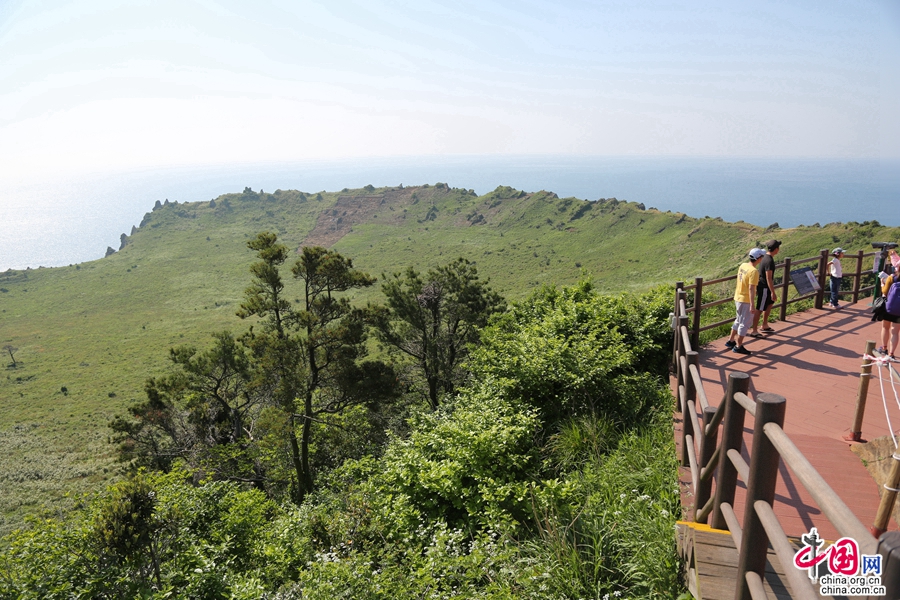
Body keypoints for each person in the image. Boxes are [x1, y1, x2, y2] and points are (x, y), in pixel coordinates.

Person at [726, 248, 765, 355]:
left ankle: (731, 340)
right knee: (745, 323)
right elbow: (751, 289)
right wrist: (752, 305)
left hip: (738, 297)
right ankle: (738, 346)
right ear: (759, 258)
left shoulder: (743, 265)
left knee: (738, 320)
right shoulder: (754, 271)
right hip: (746, 300)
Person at [749, 239, 780, 337]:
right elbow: (769, 278)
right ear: (776, 249)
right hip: (764, 288)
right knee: (760, 308)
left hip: (764, 287)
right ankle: (754, 330)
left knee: (770, 303)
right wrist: (772, 292)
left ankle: (764, 325)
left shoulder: (765, 257)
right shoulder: (769, 260)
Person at [874, 248, 900, 359]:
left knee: (885, 327)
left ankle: (884, 349)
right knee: (895, 332)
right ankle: (891, 354)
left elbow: (885, 291)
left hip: (889, 307)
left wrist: (881, 283)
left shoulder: (892, 278)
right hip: (899, 310)